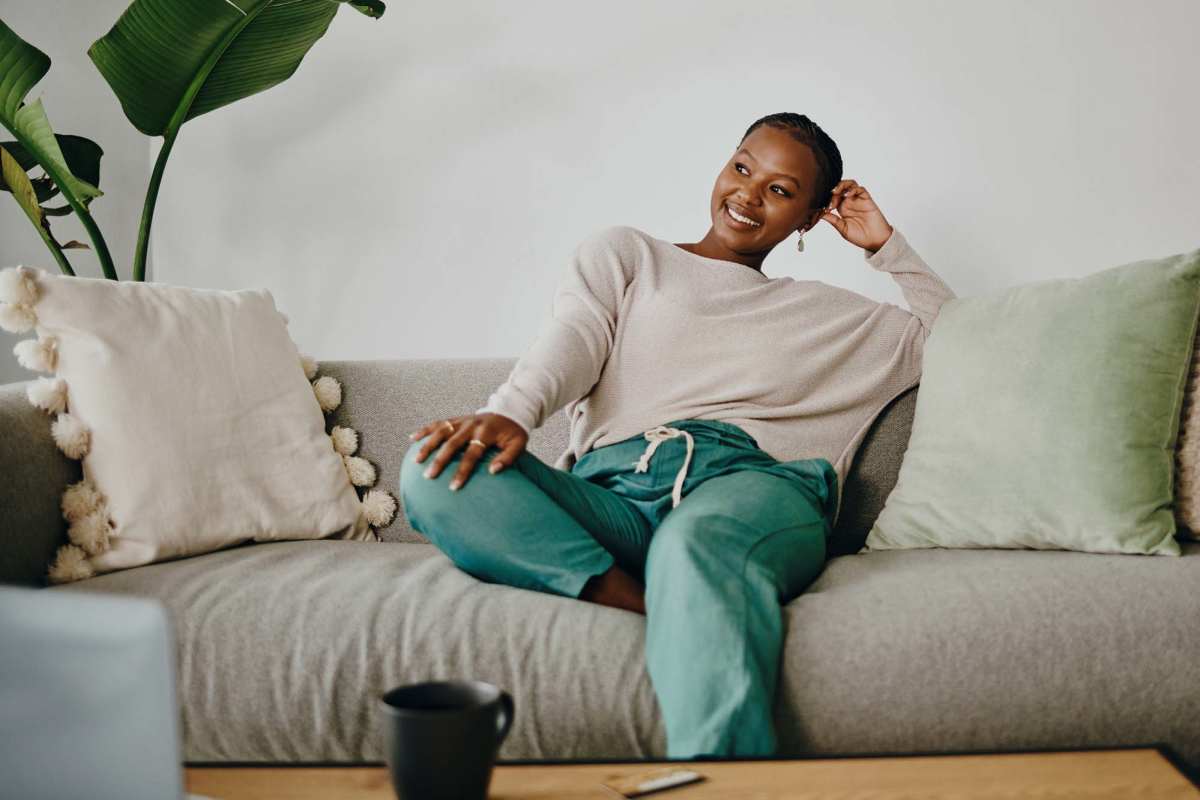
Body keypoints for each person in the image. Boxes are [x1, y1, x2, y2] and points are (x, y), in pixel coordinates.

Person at [398, 112, 957, 759]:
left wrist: (885, 246)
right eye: (742, 167)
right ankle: (648, 603)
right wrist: (513, 413)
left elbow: (961, 340)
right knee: (435, 468)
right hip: (615, 497)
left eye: (780, 190)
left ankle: (722, 777)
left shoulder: (829, 314)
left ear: (808, 219)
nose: (748, 193)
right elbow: (575, 336)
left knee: (696, 543)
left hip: (748, 488)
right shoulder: (629, 255)